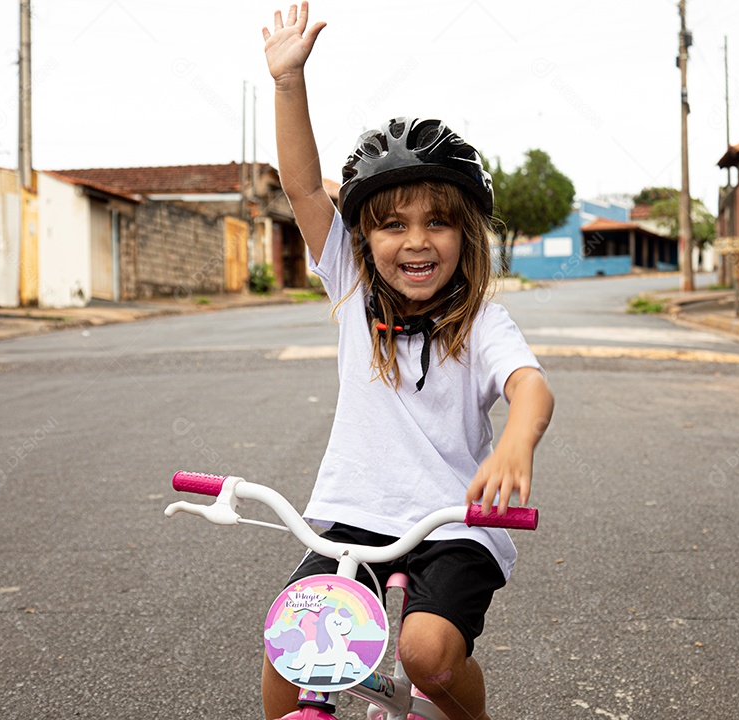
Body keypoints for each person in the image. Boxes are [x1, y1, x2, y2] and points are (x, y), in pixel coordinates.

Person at [260, 4, 555, 720]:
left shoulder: (480, 320)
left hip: (453, 524)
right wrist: (289, 80)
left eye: (437, 221)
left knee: (427, 653)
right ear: (364, 236)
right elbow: (303, 187)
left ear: (465, 234)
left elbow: (529, 385)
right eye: (392, 224)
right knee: (288, 654)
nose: (415, 242)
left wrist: (517, 438)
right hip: (349, 518)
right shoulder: (354, 284)